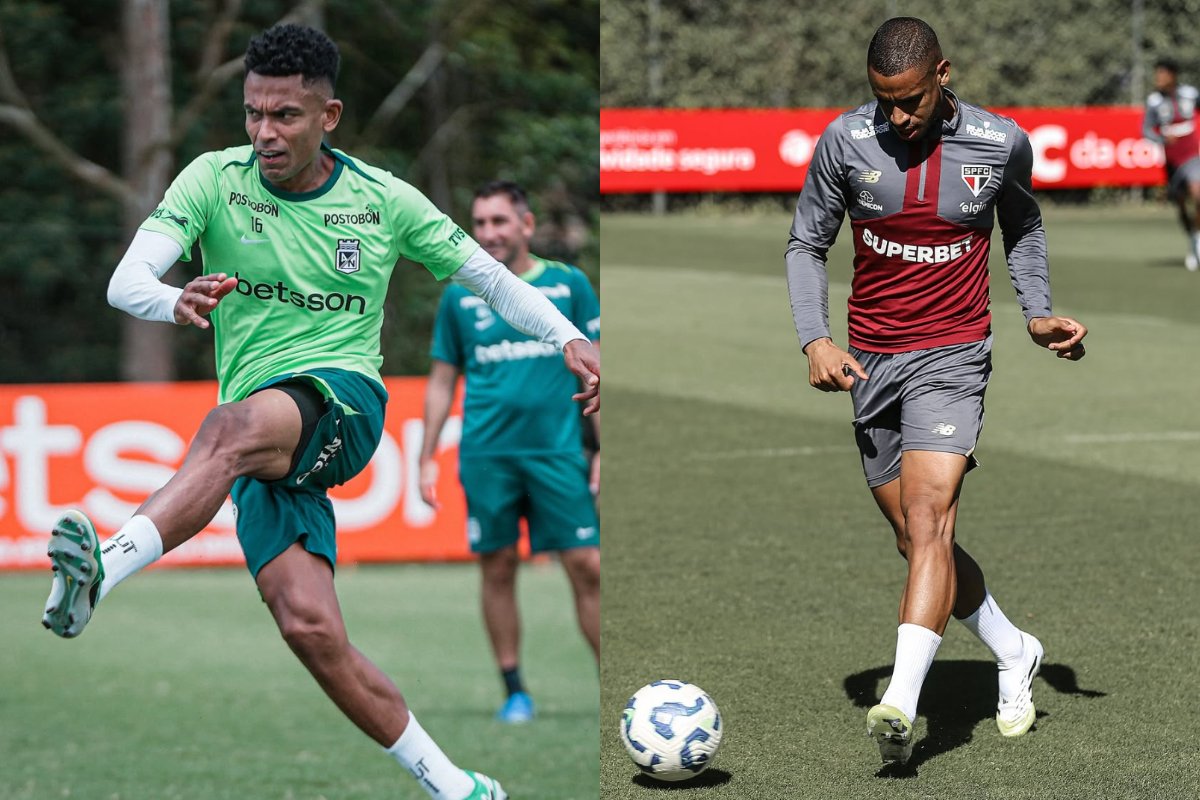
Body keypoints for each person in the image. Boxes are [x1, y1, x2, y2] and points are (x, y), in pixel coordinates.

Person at [40, 24, 600, 800]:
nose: (265, 133)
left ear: (328, 115)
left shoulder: (383, 201)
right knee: (312, 632)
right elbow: (124, 280)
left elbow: (492, 281)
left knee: (226, 430)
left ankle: (102, 569)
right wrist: (174, 300)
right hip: (266, 439)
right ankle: (459, 786)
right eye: (253, 114)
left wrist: (570, 337)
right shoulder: (212, 180)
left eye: (286, 117)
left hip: (344, 402)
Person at [784, 17, 1087, 767]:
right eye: (883, 100)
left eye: (911, 100)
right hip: (872, 362)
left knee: (929, 516)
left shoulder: (999, 140)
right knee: (916, 539)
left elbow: (1023, 220)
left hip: (953, 355)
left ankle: (901, 703)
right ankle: (1015, 651)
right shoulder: (843, 143)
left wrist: (1038, 308)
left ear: (942, 75)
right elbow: (806, 243)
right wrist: (815, 338)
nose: (897, 115)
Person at [417, 180, 600, 724]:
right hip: (488, 456)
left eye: (499, 222)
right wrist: (426, 455)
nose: (488, 233)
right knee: (497, 567)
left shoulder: (567, 284)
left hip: (558, 453)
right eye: (479, 224)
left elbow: (598, 367)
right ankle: (514, 689)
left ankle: (612, 685)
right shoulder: (458, 295)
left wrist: (603, 447)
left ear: (525, 224)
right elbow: (441, 381)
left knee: (588, 566)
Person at [1142, 57, 1200, 271]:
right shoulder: (1154, 102)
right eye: (1157, 74)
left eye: (1163, 74)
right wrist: (1161, 139)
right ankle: (1193, 240)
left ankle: (1198, 242)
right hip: (1172, 160)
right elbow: (1146, 130)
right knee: (1182, 204)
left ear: (1173, 75)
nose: (1159, 78)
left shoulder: (1190, 95)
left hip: (1193, 155)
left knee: (1198, 192)